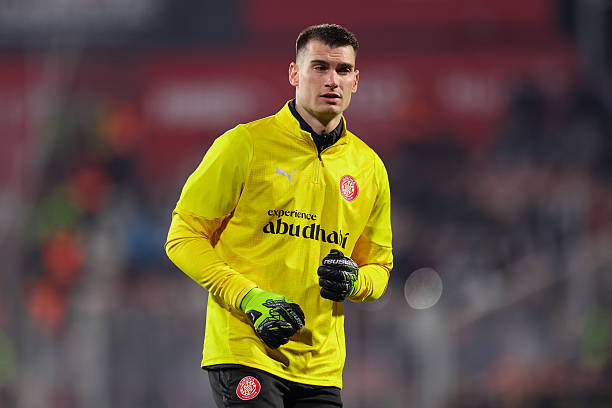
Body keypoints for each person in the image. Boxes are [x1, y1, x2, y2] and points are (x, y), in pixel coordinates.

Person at [165, 23, 393, 407]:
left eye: (342, 70)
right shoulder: (244, 145)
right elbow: (182, 237)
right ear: (294, 74)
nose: (332, 80)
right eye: (319, 67)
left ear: (355, 81)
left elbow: (380, 268)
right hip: (246, 350)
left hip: (321, 366)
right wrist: (248, 297)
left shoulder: (369, 168)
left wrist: (356, 282)